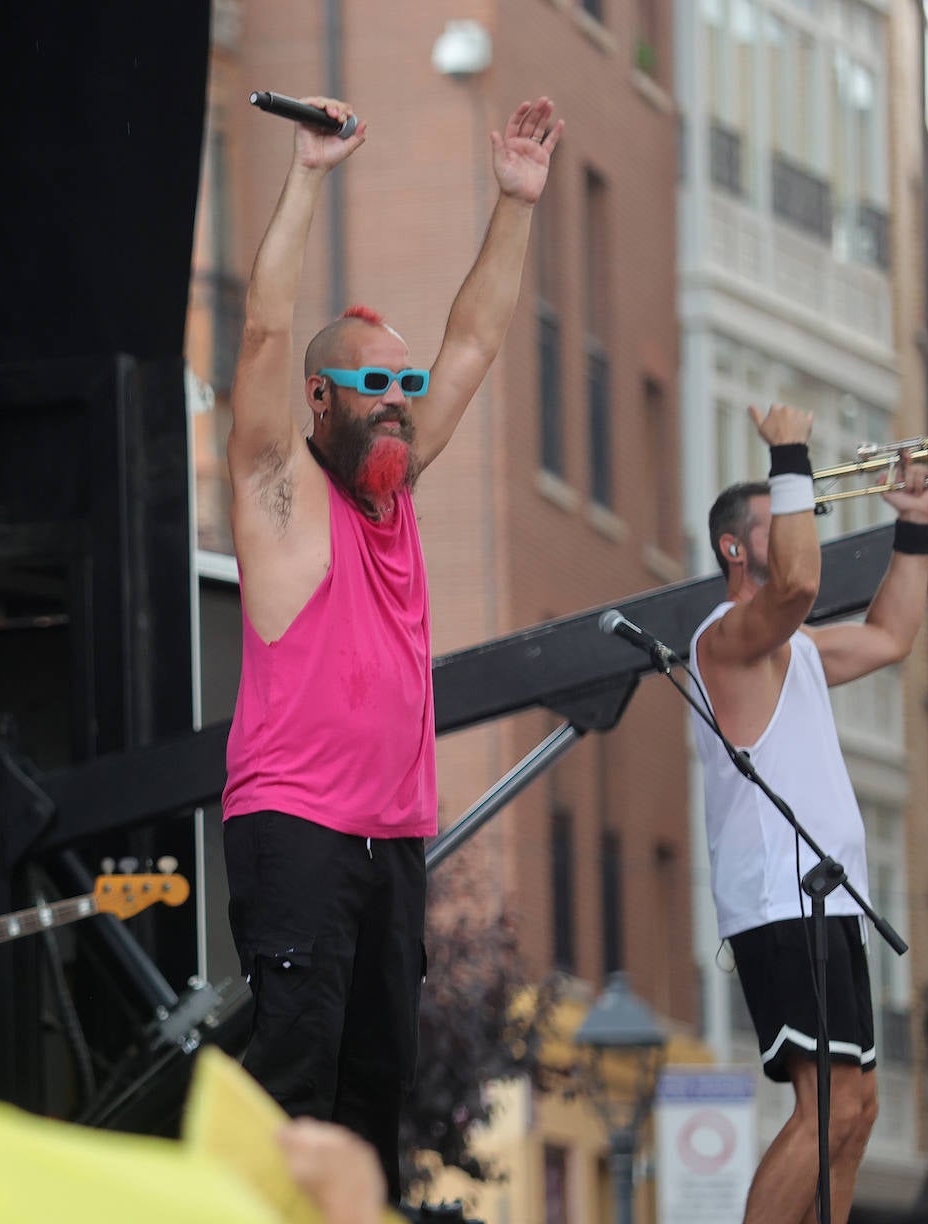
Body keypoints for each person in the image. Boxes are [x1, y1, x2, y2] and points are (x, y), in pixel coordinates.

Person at [220, 93, 561, 1202]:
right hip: (297, 829)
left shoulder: (397, 499)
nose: (405, 402)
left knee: (375, 1104)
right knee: (292, 1088)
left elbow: (473, 343)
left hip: (391, 841)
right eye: (380, 384)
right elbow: (267, 332)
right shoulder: (281, 496)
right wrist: (311, 174)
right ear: (320, 400)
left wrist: (512, 206)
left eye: (407, 388)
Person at [687, 406, 928, 1224]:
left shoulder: (796, 652)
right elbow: (796, 584)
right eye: (779, 519)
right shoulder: (724, 639)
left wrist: (917, 527)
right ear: (734, 546)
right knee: (823, 1105)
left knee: (856, 1111)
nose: (802, 527)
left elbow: (893, 634)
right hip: (777, 901)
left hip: (829, 900)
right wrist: (789, 452)